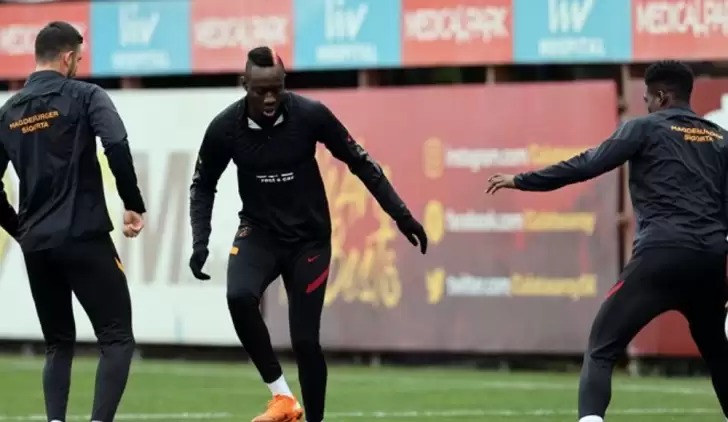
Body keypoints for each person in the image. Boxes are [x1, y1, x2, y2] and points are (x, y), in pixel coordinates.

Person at [189, 46, 428, 422]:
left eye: (277, 88)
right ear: (244, 84)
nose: (270, 98)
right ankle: (282, 397)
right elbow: (203, 185)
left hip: (309, 241)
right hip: (259, 234)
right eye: (260, 90)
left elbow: (359, 162)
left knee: (304, 341)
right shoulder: (224, 128)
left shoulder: (310, 114)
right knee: (238, 296)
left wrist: (401, 215)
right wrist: (200, 240)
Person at [486, 60, 728, 422]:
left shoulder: (644, 127)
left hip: (661, 255)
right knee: (719, 355)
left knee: (601, 347)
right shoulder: (720, 138)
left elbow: (588, 164)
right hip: (710, 260)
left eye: (647, 98)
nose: (646, 104)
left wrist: (522, 180)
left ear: (661, 97)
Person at [0, 21, 146, 422]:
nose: (79, 65)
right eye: (78, 58)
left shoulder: (8, 113)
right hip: (84, 236)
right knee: (116, 338)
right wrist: (133, 202)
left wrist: (20, 230)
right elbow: (115, 142)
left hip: (38, 247)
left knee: (57, 344)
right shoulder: (86, 96)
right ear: (67, 57)